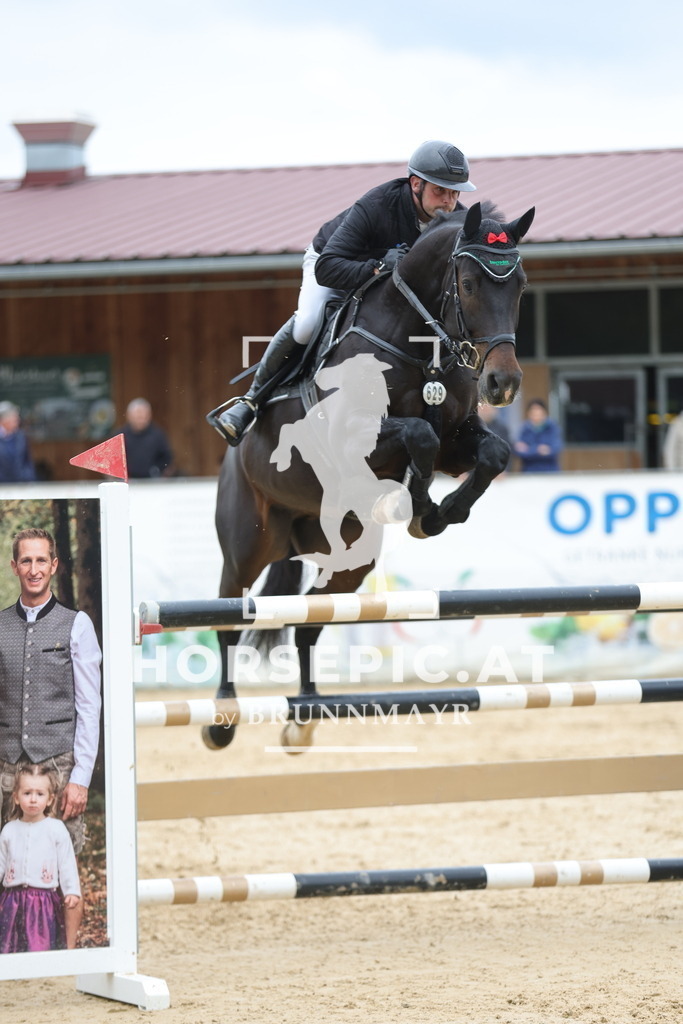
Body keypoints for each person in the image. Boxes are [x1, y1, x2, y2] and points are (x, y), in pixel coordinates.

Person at [210, 140, 477, 445]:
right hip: (335, 265)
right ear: (415, 184)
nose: (448, 202)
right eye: (439, 191)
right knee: (308, 323)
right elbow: (328, 267)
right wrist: (377, 267)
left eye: (454, 193)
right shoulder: (377, 205)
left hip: (388, 286)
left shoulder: (456, 221)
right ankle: (250, 402)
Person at [0, 528, 102, 949]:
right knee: (8, 867)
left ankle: (67, 952)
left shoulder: (76, 625)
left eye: (42, 560)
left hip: (59, 765)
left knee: (62, 866)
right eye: (26, 561)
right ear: (14, 567)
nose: (34, 569)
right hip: (6, 765)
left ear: (54, 566)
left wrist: (80, 776)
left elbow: (89, 705)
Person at [0, 764, 81, 952]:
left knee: (40, 946)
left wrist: (71, 891)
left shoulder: (56, 829)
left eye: (40, 794)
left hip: (43, 902)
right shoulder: (9, 830)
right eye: (27, 793)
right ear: (16, 798)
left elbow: (67, 864)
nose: (33, 800)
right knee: (8, 947)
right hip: (12, 900)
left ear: (51, 799)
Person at [115, 398, 175, 478]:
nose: (141, 419)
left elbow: (167, 459)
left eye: (144, 416)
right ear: (129, 416)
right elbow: (111, 461)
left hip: (152, 482)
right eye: (138, 416)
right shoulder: (120, 436)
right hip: (127, 482)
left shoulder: (157, 435)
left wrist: (157, 471)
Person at [513, 398, 563, 472]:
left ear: (545, 413)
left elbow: (555, 449)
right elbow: (518, 452)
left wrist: (529, 449)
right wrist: (538, 449)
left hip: (550, 473)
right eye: (533, 412)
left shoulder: (553, 428)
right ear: (528, 414)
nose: (536, 415)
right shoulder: (524, 429)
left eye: (539, 412)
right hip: (528, 473)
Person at [0, 401, 36, 483]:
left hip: (21, 484)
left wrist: (30, 479)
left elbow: (27, 461)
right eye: (14, 418)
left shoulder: (21, 437)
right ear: (2, 420)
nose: (17, 421)